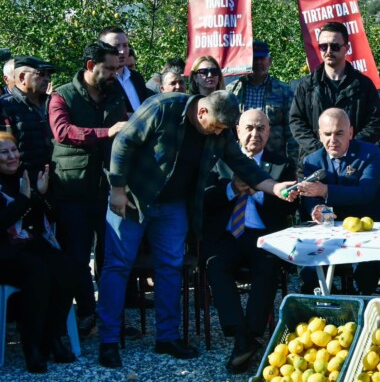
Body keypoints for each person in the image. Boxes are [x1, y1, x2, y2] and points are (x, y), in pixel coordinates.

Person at [97, 90, 296, 368]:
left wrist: (274, 187)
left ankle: (167, 336)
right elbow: (124, 142)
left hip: (174, 204)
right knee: (118, 266)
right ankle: (108, 341)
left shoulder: (219, 128)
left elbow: (241, 164)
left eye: (222, 130)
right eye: (214, 127)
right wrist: (117, 189)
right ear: (202, 112)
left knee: (170, 267)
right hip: (133, 196)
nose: (217, 133)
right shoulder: (162, 108)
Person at [203, 109, 297, 373]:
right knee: (215, 264)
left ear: (268, 132)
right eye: (249, 128)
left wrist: (258, 191)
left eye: (261, 128)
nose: (255, 133)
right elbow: (206, 199)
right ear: (237, 131)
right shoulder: (218, 160)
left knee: (268, 267)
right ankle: (242, 335)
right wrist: (233, 189)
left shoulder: (282, 165)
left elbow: (289, 209)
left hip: (263, 235)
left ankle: (248, 335)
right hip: (228, 235)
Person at [48, 41, 127, 338]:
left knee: (110, 257)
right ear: (91, 66)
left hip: (107, 188)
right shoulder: (61, 97)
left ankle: (109, 317)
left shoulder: (114, 93)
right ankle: (85, 313)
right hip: (72, 189)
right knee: (78, 257)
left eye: (117, 69)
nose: (113, 74)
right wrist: (106, 132)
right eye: (109, 68)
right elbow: (62, 132)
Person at [0, 132, 78, 373]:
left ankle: (53, 337)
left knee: (67, 267)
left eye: (13, 150)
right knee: (38, 271)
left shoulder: (27, 175)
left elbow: (53, 216)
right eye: (4, 152)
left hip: (31, 246)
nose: (12, 156)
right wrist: (24, 200)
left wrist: (42, 196)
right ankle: (32, 346)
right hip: (4, 252)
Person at [298, 108, 380, 295]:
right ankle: (335, 304)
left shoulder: (369, 153)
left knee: (366, 269)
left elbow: (366, 192)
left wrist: (326, 191)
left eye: (339, 133)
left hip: (365, 229)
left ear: (351, 132)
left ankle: (362, 305)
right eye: (327, 134)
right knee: (308, 269)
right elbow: (309, 196)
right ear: (319, 135)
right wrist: (317, 208)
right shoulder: (311, 161)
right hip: (329, 233)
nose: (333, 140)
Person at [289, 22, 380, 169]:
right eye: (323, 46)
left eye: (335, 46)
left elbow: (374, 123)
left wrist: (348, 147)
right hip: (314, 164)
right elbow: (296, 122)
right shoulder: (306, 86)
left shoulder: (364, 85)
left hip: (354, 164)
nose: (329, 51)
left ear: (347, 48)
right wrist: (321, 149)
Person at [228, 41, 297, 162]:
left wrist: (293, 162)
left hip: (275, 162)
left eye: (262, 58)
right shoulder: (232, 91)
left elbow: (292, 132)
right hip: (239, 160)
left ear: (269, 61)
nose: (258, 62)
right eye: (254, 58)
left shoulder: (284, 91)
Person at [0, 56, 55, 176]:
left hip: (57, 181)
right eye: (41, 74)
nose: (47, 79)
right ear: (22, 77)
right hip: (22, 182)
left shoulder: (53, 103)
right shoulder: (4, 106)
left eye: (48, 75)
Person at [98, 26, 153, 112]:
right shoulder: (103, 81)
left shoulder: (137, 77)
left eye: (125, 45)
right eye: (116, 46)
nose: (122, 51)